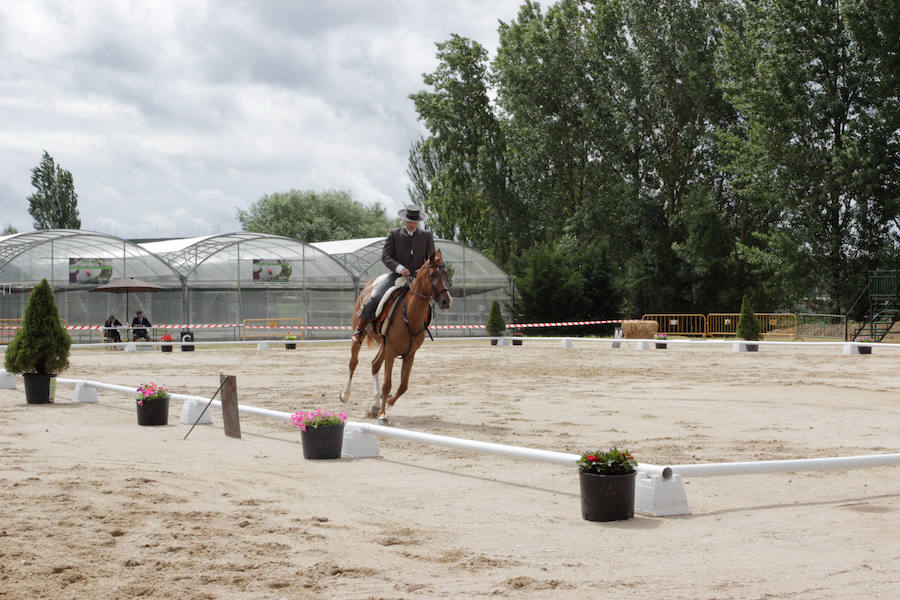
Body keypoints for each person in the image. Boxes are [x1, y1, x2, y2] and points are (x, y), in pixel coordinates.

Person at [352, 204, 435, 342]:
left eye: (414, 222)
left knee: (433, 296)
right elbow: (385, 256)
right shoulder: (394, 234)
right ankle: (360, 328)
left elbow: (431, 259)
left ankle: (421, 328)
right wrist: (399, 268)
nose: (411, 224)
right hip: (396, 275)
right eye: (409, 221)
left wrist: (422, 271)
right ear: (404, 220)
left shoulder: (426, 236)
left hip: (418, 277)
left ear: (418, 222)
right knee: (375, 297)